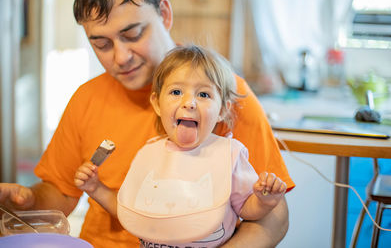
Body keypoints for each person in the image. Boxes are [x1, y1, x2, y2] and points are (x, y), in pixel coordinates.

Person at [0, 0, 294, 247]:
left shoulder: (222, 96)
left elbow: (274, 217)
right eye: (101, 44)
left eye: (133, 34)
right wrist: (27, 201)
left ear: (165, 14)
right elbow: (61, 192)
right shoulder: (87, 98)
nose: (120, 57)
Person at [74, 45, 288, 247]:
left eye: (203, 94)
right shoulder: (149, 152)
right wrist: (96, 188)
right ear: (157, 103)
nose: (189, 102)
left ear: (222, 109)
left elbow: (247, 209)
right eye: (176, 92)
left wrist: (264, 200)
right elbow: (130, 209)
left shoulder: (229, 155)